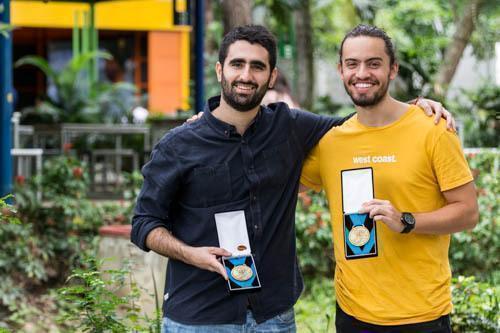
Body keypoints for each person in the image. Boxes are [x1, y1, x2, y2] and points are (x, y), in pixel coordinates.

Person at [131, 25, 453, 332]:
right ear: (220, 71)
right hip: (200, 317)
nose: (245, 75)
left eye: (257, 67)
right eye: (237, 64)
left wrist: (413, 109)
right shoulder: (179, 145)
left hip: (273, 317)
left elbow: (362, 122)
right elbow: (144, 224)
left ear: (271, 77)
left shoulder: (289, 127)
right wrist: (192, 254)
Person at [300, 24, 478, 333]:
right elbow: (274, 182)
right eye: (352, 64)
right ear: (341, 70)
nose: (362, 73)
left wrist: (406, 221)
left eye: (373, 63)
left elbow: (468, 212)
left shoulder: (432, 129)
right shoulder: (330, 142)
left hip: (422, 315)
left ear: (392, 69)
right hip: (353, 315)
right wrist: (208, 125)